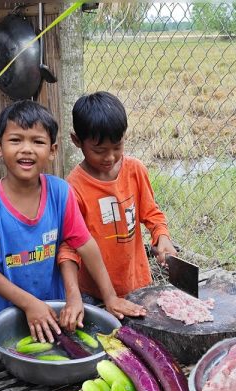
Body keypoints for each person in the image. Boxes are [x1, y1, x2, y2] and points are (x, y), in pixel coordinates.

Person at [0, 100, 144, 342]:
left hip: (55, 312)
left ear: (52, 151)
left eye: (37, 141)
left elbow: (84, 244)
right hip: (4, 316)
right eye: (16, 140)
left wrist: (110, 297)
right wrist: (29, 303)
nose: (26, 149)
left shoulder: (60, 193)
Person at [57, 91, 177, 318]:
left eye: (117, 147)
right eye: (99, 150)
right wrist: (73, 296)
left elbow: (152, 214)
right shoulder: (73, 188)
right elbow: (69, 247)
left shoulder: (135, 170)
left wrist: (162, 237)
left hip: (137, 282)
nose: (110, 157)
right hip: (93, 293)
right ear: (77, 141)